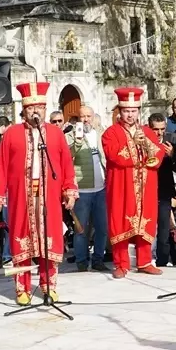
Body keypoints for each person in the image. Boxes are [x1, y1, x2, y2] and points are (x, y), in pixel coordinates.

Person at [0, 82, 78, 304]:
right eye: (31, 108)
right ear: (24, 110)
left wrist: (69, 189)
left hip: (49, 195)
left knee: (49, 240)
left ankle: (49, 285)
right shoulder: (12, 134)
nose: (35, 111)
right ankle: (22, 288)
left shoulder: (56, 134)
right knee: (23, 240)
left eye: (39, 107)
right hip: (21, 196)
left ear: (45, 109)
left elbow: (66, 165)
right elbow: (0, 165)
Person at [102, 87, 165, 278]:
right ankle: (121, 264)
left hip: (146, 186)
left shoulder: (147, 131)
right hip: (122, 186)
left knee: (145, 222)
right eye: (126, 111)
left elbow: (158, 155)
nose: (130, 115)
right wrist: (132, 145)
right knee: (121, 221)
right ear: (120, 111)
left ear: (139, 111)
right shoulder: (111, 132)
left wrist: (146, 144)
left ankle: (145, 261)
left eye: (134, 111)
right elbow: (113, 155)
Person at [66, 105, 109, 272]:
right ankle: (82, 262)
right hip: (82, 190)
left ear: (93, 117)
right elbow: (68, 156)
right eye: (82, 117)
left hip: (101, 189)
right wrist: (77, 141)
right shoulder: (69, 136)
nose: (85, 120)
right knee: (81, 230)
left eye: (88, 116)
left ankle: (98, 259)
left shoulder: (100, 134)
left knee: (102, 228)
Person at [148, 113, 176, 268]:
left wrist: (173, 155)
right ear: (149, 127)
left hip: (164, 190)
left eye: (162, 129)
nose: (159, 133)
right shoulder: (144, 140)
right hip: (146, 189)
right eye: (156, 129)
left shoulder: (171, 141)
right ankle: (145, 257)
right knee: (147, 226)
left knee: (164, 227)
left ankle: (162, 260)